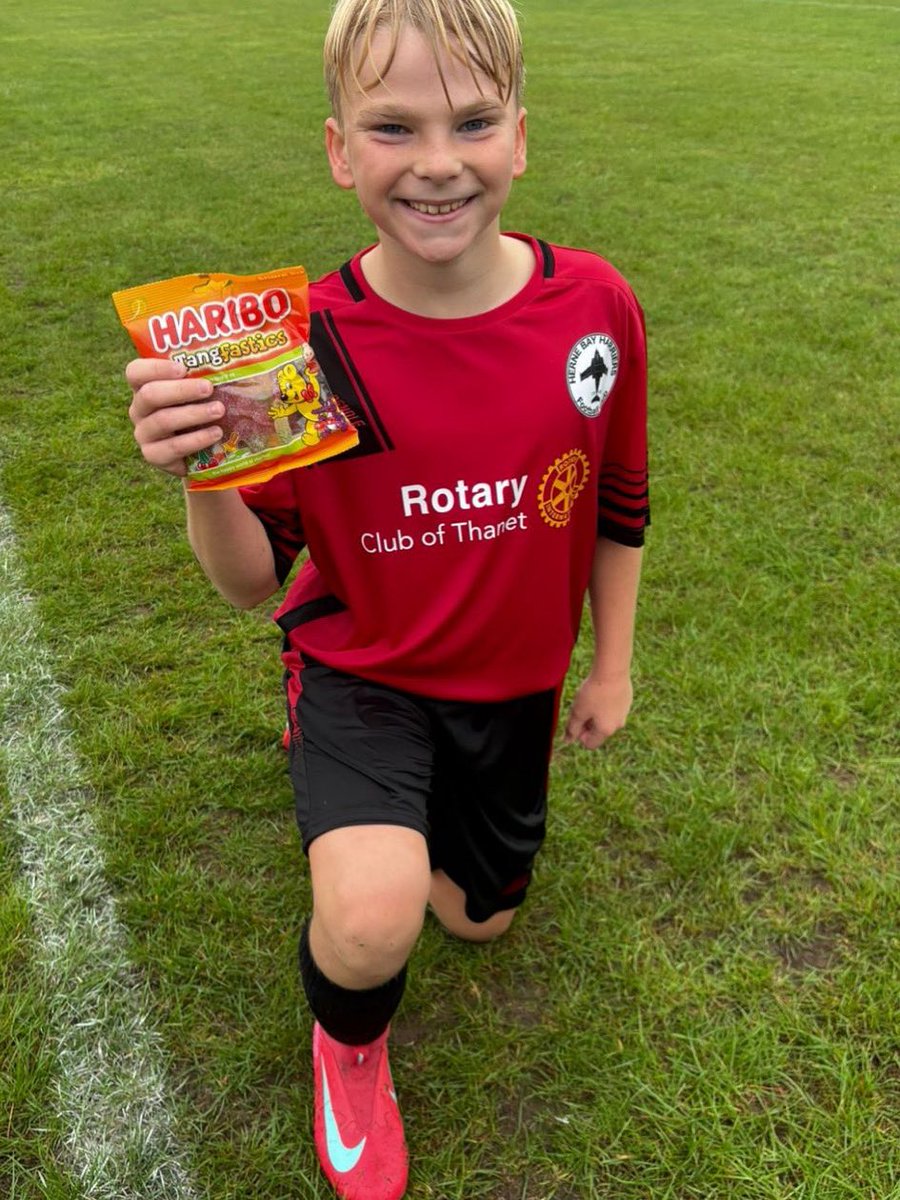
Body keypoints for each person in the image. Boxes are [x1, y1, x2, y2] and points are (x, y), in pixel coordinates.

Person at [125, 0, 649, 1196]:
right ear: (339, 149)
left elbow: (619, 501)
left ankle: (394, 823)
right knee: (374, 922)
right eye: (394, 127)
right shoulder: (301, 344)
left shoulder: (593, 309)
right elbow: (250, 583)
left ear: (521, 137)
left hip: (513, 682)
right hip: (361, 667)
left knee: (477, 920)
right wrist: (204, 473)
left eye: (473, 123)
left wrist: (611, 664)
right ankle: (350, 1049)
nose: (437, 163)